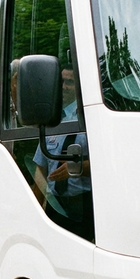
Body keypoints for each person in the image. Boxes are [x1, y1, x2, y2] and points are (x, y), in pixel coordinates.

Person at [31, 67, 94, 240]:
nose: (64, 87)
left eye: (70, 82)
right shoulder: (52, 119)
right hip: (55, 206)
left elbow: (110, 163)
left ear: (79, 87)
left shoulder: (91, 117)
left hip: (84, 206)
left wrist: (78, 167)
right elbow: (40, 170)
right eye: (61, 82)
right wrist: (34, 213)